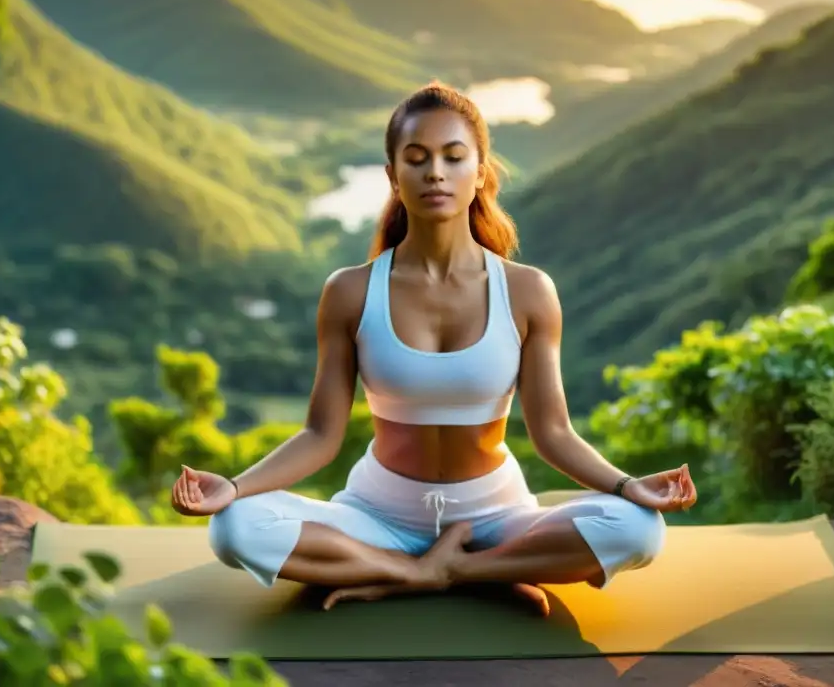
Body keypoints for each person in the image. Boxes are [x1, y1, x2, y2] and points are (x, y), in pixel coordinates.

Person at [170, 80, 697, 614]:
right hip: (379, 516)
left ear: (481, 171)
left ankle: (460, 567)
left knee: (637, 531)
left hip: (495, 516)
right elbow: (320, 435)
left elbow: (553, 433)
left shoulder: (528, 291)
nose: (436, 173)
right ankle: (418, 570)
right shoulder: (350, 291)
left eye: (453, 156)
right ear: (393, 177)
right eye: (416, 159)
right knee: (235, 529)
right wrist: (233, 489)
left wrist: (628, 486)